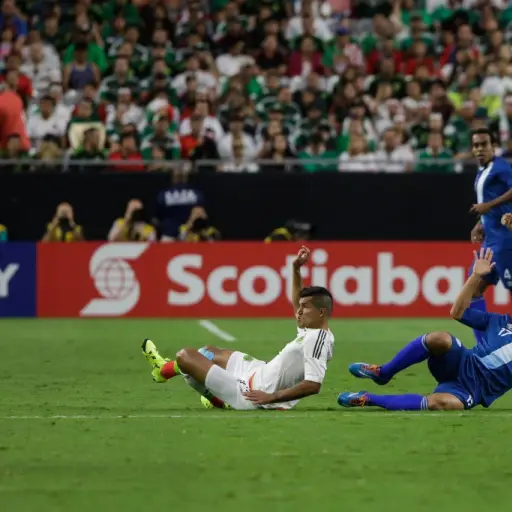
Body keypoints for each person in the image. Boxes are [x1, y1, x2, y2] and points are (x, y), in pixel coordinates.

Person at [141, 246, 335, 410]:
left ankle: (214, 397)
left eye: (304, 308)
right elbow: (296, 300)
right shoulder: (312, 329)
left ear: (321, 313)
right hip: (258, 371)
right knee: (207, 353)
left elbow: (313, 384)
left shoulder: (317, 339)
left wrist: (271, 398)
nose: (298, 312)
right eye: (299, 307)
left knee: (186, 356)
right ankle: (167, 372)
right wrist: (295, 268)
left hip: (251, 394)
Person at [338, 248, 512, 411]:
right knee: (441, 338)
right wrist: (475, 276)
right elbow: (457, 312)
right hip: (462, 362)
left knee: (441, 402)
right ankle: (383, 373)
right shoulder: (500, 321)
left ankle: (367, 399)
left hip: (475, 389)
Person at [467, 128, 512, 345]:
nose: (479, 149)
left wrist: (488, 206)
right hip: (490, 240)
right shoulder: (482, 171)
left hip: (505, 240)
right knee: (473, 289)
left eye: (484, 144)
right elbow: (492, 205)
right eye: (476, 145)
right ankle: (484, 347)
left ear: (493, 146)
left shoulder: (501, 167)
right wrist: (480, 224)